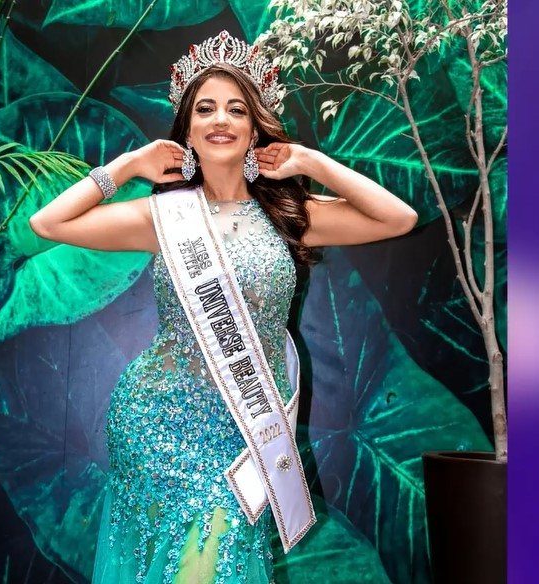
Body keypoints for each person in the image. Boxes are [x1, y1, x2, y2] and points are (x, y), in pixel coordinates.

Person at [29, 30, 416, 584]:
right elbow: (48, 223)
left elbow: (398, 218)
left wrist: (313, 162)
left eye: (237, 109)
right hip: (157, 418)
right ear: (187, 128)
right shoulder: (163, 217)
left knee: (211, 564)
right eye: (205, 108)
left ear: (255, 127)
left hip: (243, 427)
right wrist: (130, 164)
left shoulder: (291, 215)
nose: (221, 120)